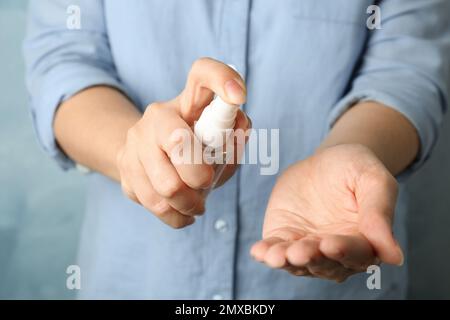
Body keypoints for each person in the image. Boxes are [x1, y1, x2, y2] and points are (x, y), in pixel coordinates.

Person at [24, 0, 450, 299]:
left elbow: (406, 71)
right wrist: (134, 153)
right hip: (137, 280)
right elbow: (63, 57)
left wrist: (351, 150)